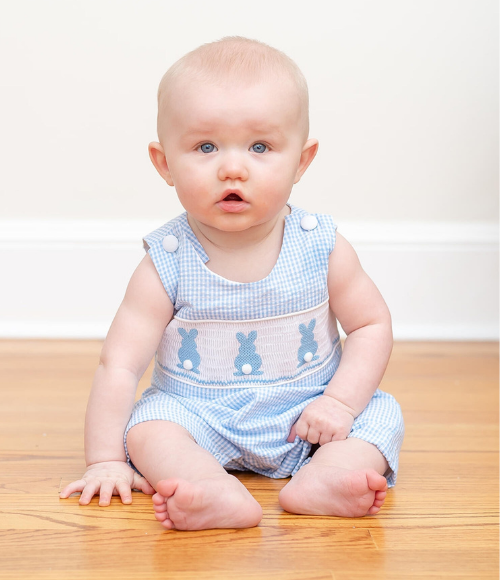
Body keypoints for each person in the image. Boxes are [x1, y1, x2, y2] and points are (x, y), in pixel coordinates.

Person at [60, 36, 404, 531]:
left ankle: (330, 474)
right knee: (149, 428)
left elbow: (371, 324)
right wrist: (104, 460)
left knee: (380, 415)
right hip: (200, 417)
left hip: (309, 414)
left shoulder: (320, 246)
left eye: (260, 146)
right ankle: (210, 488)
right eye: (205, 146)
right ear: (164, 164)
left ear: (302, 161)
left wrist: (340, 402)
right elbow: (120, 363)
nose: (233, 167)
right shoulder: (168, 261)